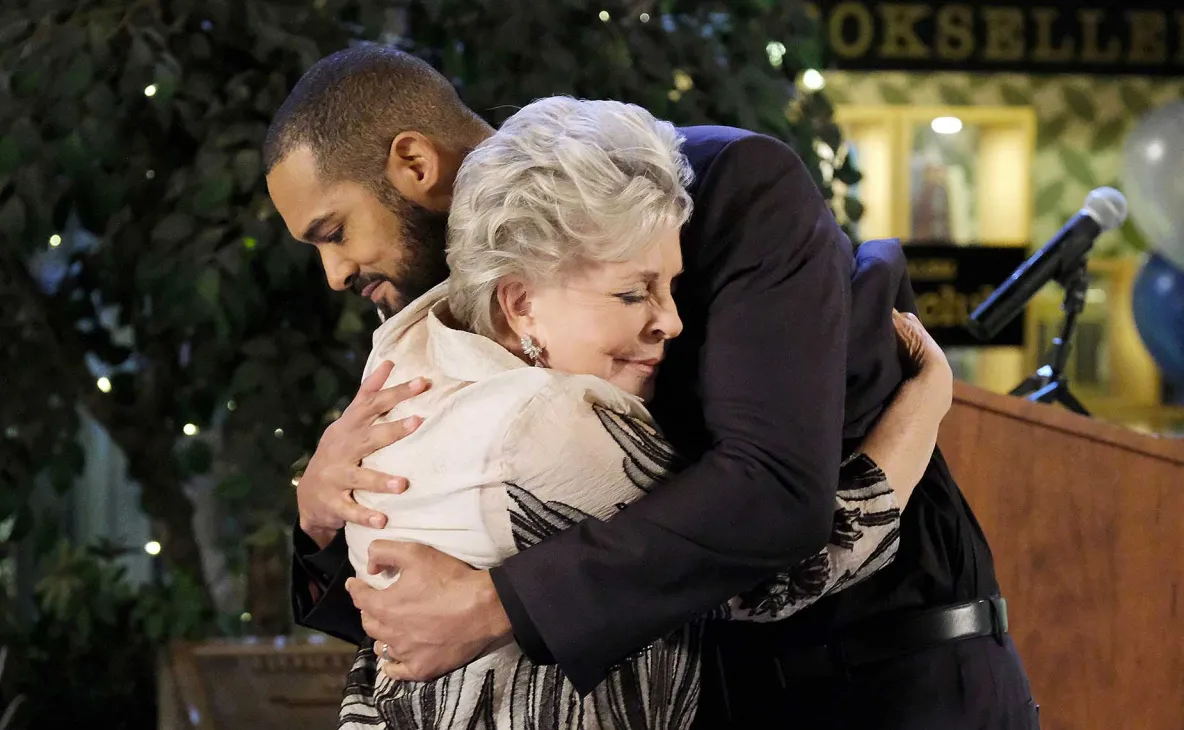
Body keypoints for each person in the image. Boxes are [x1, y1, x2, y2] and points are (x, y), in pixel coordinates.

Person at [267, 45, 1038, 728]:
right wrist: (322, 517)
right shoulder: (432, 325)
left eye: (334, 231)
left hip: (886, 685)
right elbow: (417, 620)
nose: (333, 273)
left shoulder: (723, 188)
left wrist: (491, 605)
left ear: (413, 163)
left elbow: (771, 499)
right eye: (636, 292)